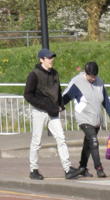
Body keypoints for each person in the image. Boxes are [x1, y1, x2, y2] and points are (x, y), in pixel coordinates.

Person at [23, 47, 76, 180]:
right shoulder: (34, 74)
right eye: (49, 58)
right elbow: (27, 95)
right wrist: (43, 104)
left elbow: (58, 91)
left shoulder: (55, 73)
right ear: (41, 60)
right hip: (40, 112)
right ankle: (33, 169)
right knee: (36, 141)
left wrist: (60, 105)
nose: (51, 60)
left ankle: (67, 168)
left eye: (52, 57)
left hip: (53, 112)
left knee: (61, 138)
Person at [61, 59, 110, 178]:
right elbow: (65, 96)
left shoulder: (99, 82)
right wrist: (58, 106)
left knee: (88, 144)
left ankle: (82, 168)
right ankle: (99, 168)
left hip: (96, 119)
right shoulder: (77, 82)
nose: (94, 79)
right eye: (91, 76)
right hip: (84, 117)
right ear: (85, 73)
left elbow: (106, 100)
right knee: (93, 140)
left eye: (95, 76)